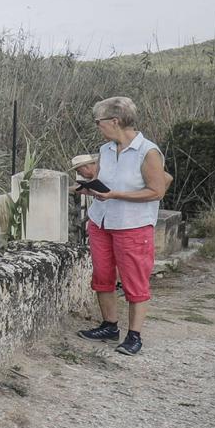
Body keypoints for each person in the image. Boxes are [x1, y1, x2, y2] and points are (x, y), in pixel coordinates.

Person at [73, 96, 168, 356]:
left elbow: (157, 190)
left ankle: (134, 335)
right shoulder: (105, 150)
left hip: (132, 225)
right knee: (102, 276)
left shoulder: (147, 151)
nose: (97, 126)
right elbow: (104, 183)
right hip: (102, 220)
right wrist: (87, 189)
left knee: (134, 281)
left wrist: (116, 195)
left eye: (99, 121)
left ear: (115, 121)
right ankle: (109, 325)